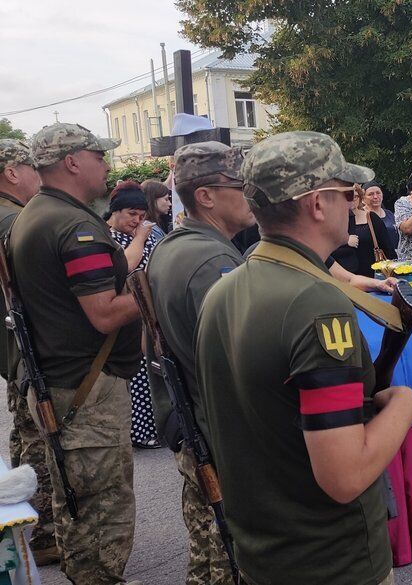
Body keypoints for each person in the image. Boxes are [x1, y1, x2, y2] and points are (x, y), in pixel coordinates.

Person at [196, 130, 412, 584]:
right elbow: (345, 475)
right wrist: (404, 405)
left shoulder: (224, 291)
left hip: (264, 554)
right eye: (346, 193)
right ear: (317, 203)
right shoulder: (316, 303)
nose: (353, 203)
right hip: (330, 561)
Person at [10, 122, 142, 584]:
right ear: (72, 162)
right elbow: (104, 315)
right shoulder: (73, 225)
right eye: (99, 156)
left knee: (77, 503)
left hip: (62, 382)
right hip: (87, 389)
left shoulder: (38, 213)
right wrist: (153, 289)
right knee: (104, 510)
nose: (106, 165)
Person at [146, 141, 251, 584]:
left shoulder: (175, 246)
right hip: (219, 433)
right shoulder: (214, 260)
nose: (250, 194)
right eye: (240, 185)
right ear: (206, 196)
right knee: (230, 556)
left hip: (193, 423)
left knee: (207, 555)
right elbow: (240, 364)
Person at [0, 139, 57, 565]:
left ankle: (26, 528)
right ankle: (41, 534)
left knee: (24, 434)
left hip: (11, 350)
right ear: (11, 172)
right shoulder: (13, 221)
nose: (38, 175)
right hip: (26, 351)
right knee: (37, 439)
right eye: (30, 166)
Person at [106, 182, 164, 448]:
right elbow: (126, 267)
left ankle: (155, 427)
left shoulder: (143, 233)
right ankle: (141, 433)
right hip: (128, 315)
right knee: (139, 375)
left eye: (142, 215)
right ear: (115, 212)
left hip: (149, 315)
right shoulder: (111, 238)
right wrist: (140, 237)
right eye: (131, 214)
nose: (138, 220)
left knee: (151, 373)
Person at [331, 183, 398, 278]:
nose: (351, 200)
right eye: (347, 196)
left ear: (360, 197)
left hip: (372, 275)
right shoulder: (333, 221)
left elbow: (388, 249)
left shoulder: (371, 218)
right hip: (344, 277)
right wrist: (346, 242)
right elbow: (326, 253)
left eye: (355, 196)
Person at [363, 182, 398, 253]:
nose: (375, 197)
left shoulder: (389, 214)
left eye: (378, 193)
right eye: (371, 194)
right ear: (363, 198)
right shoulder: (361, 216)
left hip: (393, 257)